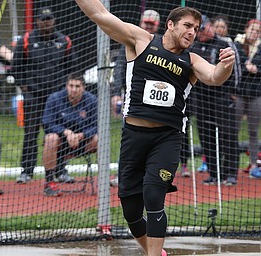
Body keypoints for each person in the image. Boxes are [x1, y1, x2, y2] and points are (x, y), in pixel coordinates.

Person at [74, 1, 235, 255]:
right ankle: (155, 251)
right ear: (170, 25)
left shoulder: (191, 59)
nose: (192, 32)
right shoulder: (141, 40)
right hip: (134, 135)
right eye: (187, 26)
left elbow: (214, 77)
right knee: (131, 210)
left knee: (153, 194)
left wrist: (226, 65)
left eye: (196, 28)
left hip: (167, 138)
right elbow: (100, 14)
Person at [11, 7, 76, 184]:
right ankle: (26, 171)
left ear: (53, 20)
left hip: (57, 97)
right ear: (37, 21)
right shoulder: (26, 40)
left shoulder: (64, 41)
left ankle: (61, 171)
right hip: (33, 95)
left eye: (49, 19)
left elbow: (72, 67)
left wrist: (66, 90)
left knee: (58, 133)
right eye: (43, 19)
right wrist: (23, 86)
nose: (46, 22)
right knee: (30, 133)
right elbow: (16, 66)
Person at [110, 9, 161, 186]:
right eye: (145, 22)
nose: (148, 26)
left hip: (157, 102)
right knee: (129, 138)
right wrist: (116, 93)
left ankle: (150, 175)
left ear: (158, 25)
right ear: (141, 22)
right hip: (133, 99)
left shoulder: (162, 43)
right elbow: (119, 69)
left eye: (151, 24)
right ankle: (124, 175)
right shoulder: (129, 40)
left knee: (154, 139)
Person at [191, 15, 240, 186]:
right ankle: (214, 173)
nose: (200, 33)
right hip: (202, 99)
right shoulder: (194, 47)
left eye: (202, 29)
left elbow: (236, 67)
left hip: (222, 97)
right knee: (206, 136)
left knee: (228, 135)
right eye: (197, 30)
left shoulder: (224, 44)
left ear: (210, 27)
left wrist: (234, 92)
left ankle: (231, 173)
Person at [41, 72, 98, 196]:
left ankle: (103, 180)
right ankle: (50, 182)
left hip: (83, 143)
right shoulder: (54, 98)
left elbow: (97, 126)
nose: (74, 89)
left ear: (83, 87)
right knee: (50, 138)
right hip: (60, 143)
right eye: (71, 86)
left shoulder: (92, 100)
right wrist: (65, 132)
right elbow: (46, 122)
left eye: (77, 86)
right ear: (66, 86)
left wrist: (82, 135)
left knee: (99, 139)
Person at [234, 19, 261, 178]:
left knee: (253, 130)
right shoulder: (237, 44)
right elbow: (235, 66)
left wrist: (256, 70)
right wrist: (246, 67)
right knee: (233, 128)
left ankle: (253, 164)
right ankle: (232, 164)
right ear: (246, 29)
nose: (254, 33)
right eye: (252, 30)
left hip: (256, 94)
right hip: (238, 93)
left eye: (258, 31)